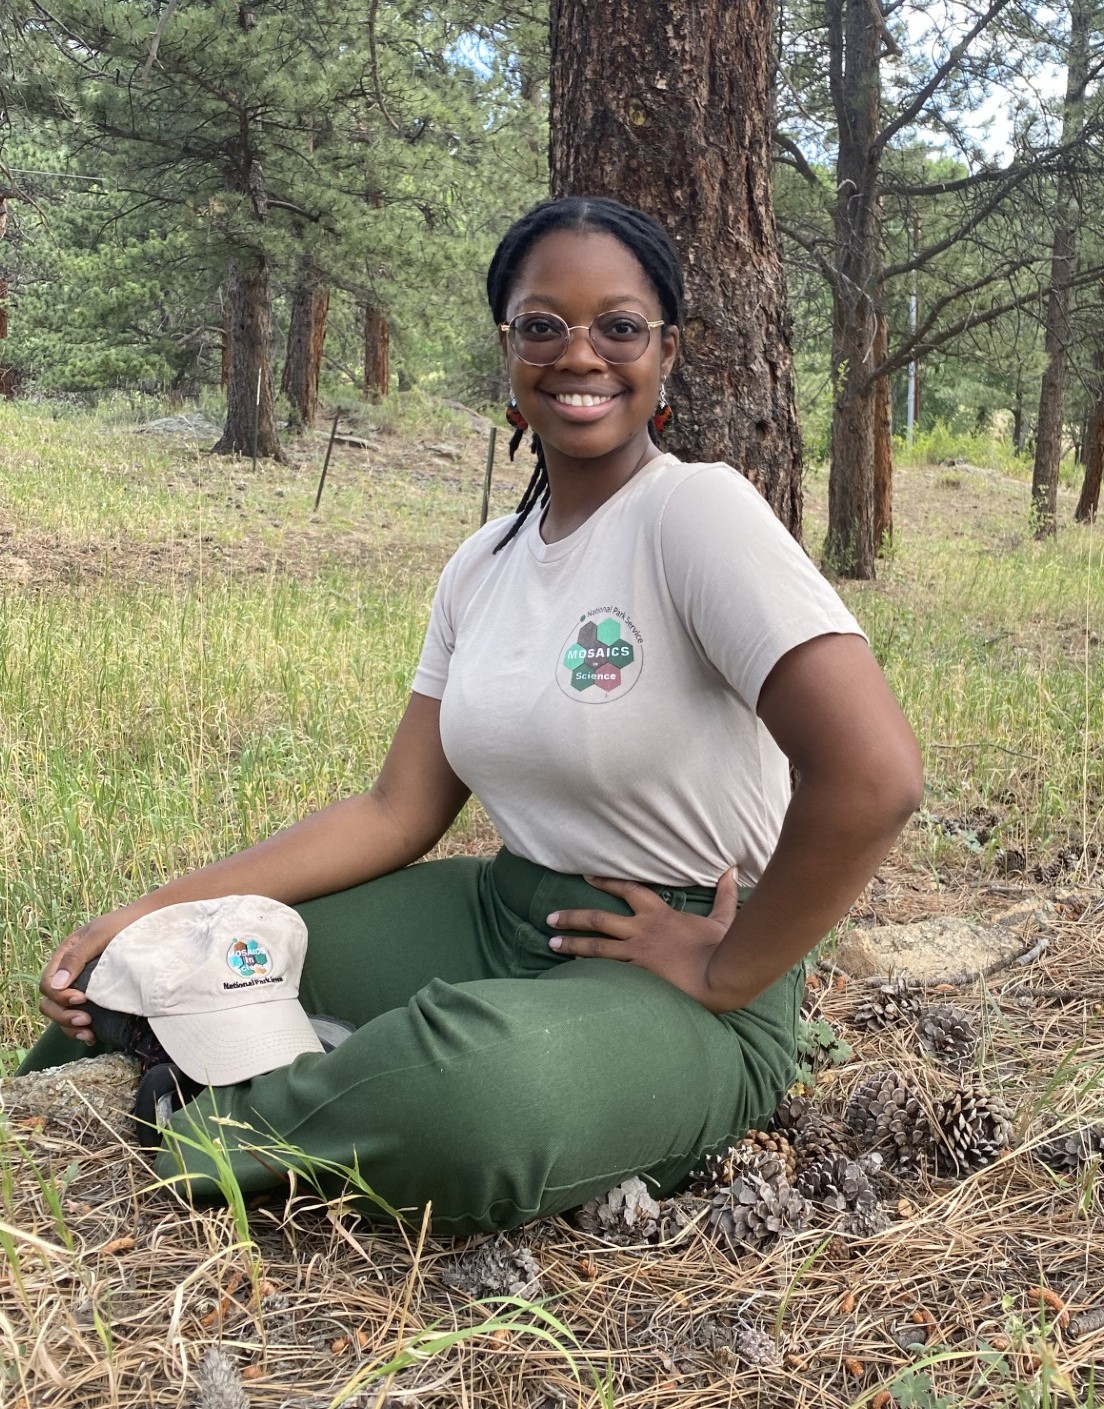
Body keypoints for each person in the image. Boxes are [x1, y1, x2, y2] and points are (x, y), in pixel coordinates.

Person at [23, 196, 923, 1235]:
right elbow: (396, 809)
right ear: (509, 347)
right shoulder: (483, 562)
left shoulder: (696, 512)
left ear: (665, 351)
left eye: (618, 326)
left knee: (479, 1087)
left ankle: (207, 1124)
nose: (579, 353)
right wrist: (147, 909)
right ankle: (57, 1107)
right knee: (160, 959)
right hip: (500, 914)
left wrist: (730, 965)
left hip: (681, 965)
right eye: (544, 324)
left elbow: (871, 775)